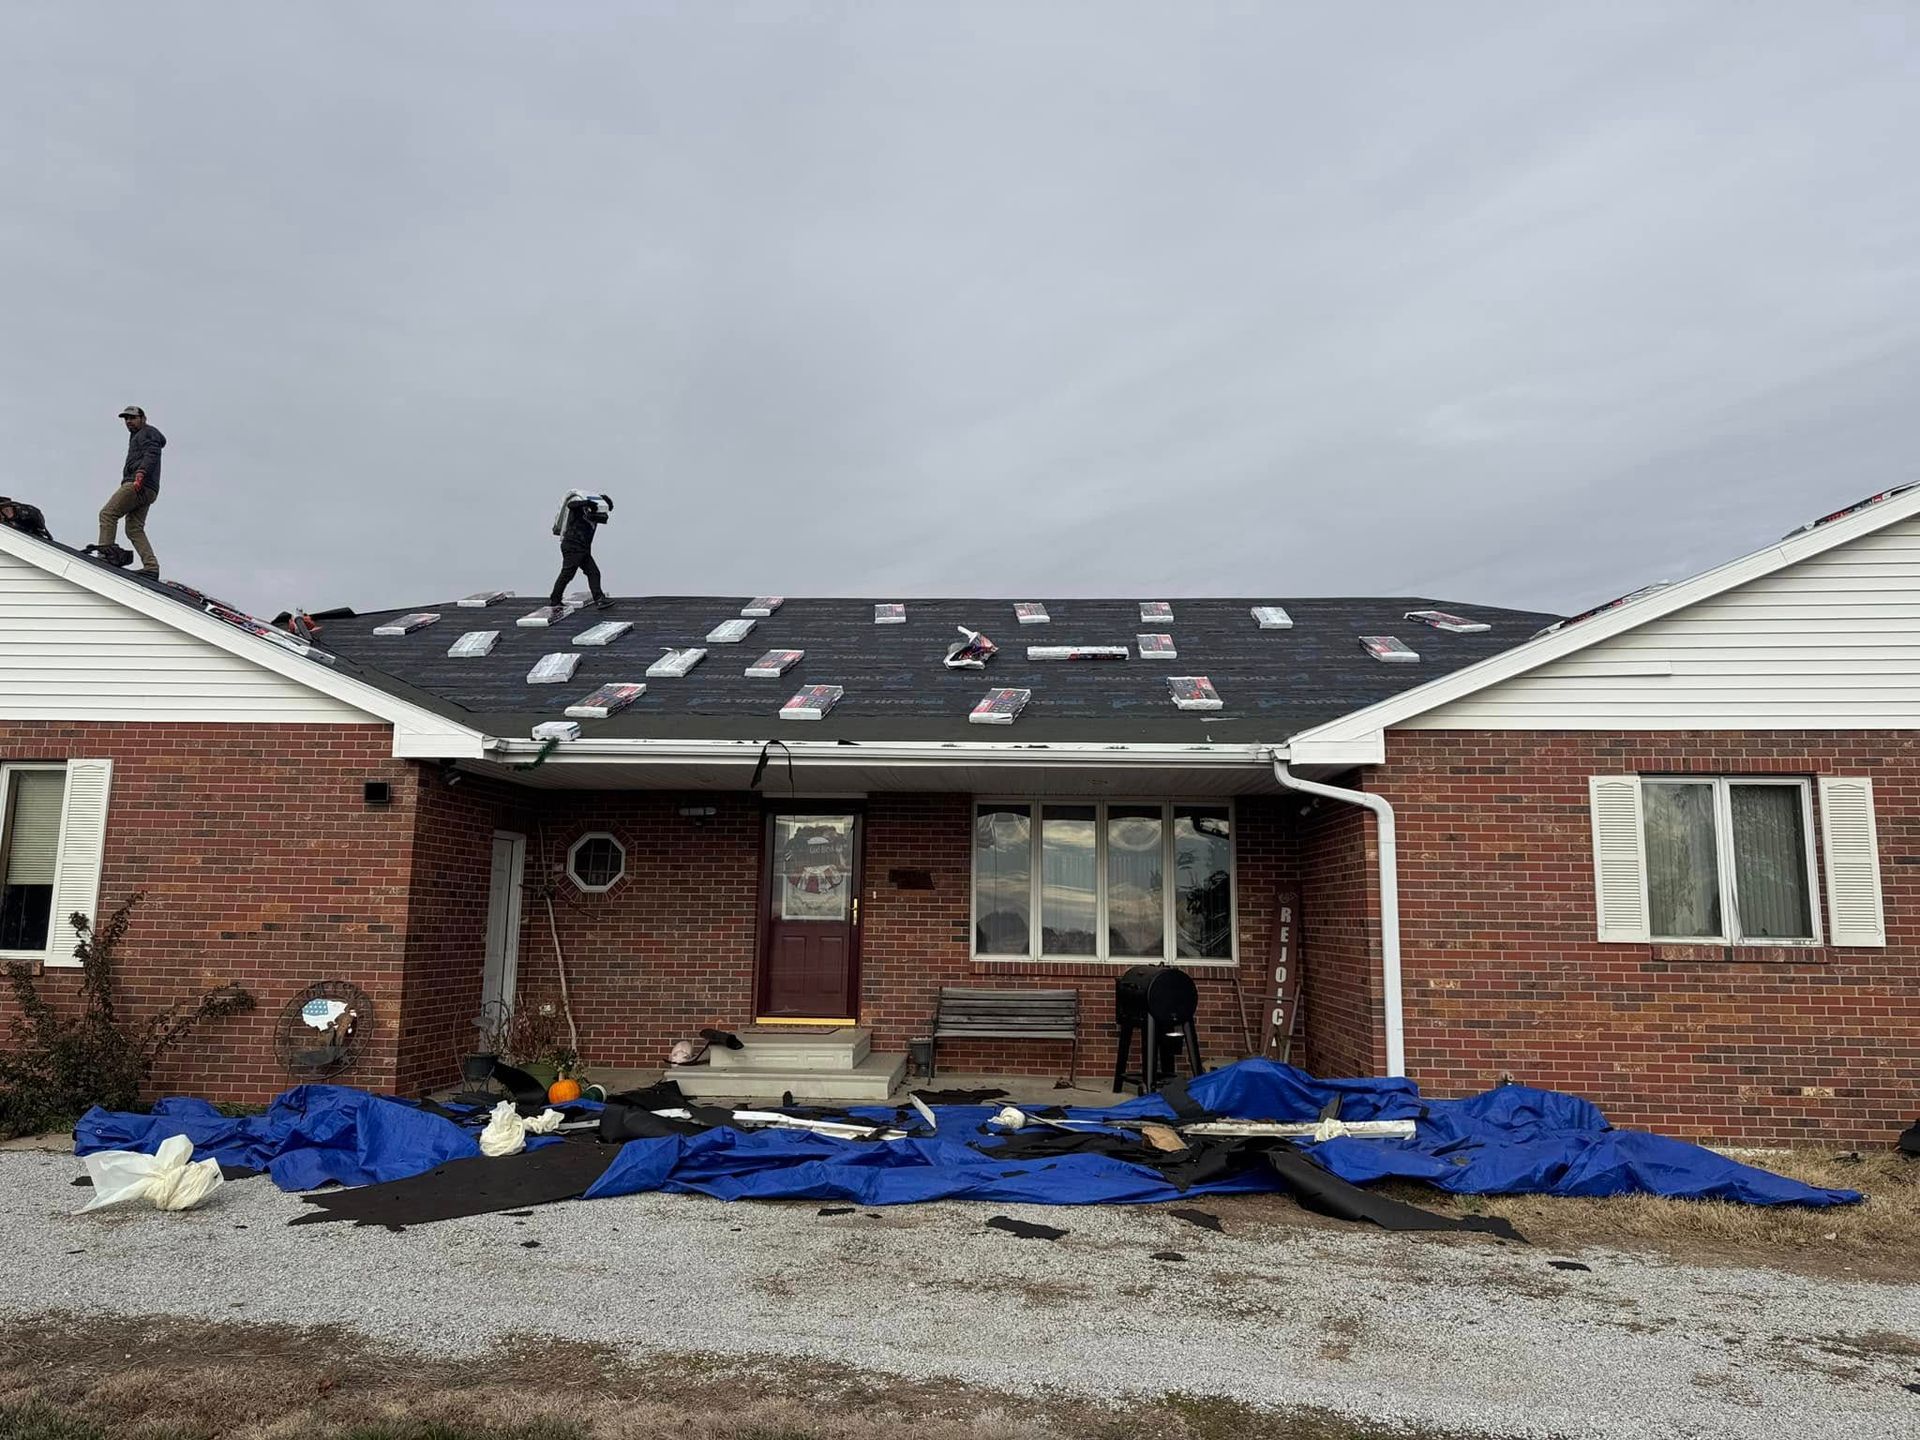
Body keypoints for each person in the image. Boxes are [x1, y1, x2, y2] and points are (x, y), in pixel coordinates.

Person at [96, 405, 166, 577]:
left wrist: (140, 474)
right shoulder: (137, 436)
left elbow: (152, 454)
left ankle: (105, 555)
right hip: (148, 489)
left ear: (143, 418)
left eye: (133, 418)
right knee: (134, 528)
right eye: (126, 419)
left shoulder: (148, 433)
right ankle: (151, 567)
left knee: (107, 514)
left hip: (138, 484)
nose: (129, 422)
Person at [548, 490, 614, 608]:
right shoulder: (580, 510)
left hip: (583, 548)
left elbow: (607, 513)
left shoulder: (595, 517)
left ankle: (599, 599)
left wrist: (603, 502)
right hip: (572, 545)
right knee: (567, 574)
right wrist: (587, 502)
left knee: (593, 572)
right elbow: (571, 505)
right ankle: (555, 599)